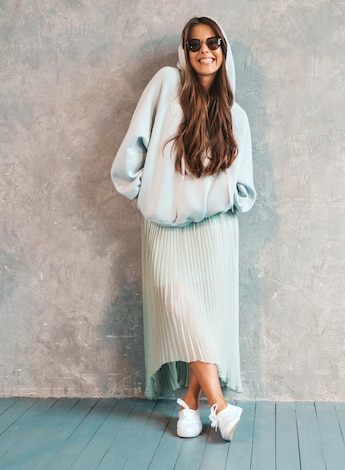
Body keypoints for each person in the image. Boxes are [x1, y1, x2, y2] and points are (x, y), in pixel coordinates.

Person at [111, 16, 256, 442]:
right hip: (164, 229)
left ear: (224, 50)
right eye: (195, 45)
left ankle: (190, 405)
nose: (204, 51)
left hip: (214, 233)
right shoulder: (165, 85)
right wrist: (148, 196)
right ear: (185, 52)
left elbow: (244, 191)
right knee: (181, 305)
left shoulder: (237, 117)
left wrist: (218, 194)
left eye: (213, 43)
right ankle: (223, 408)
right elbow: (129, 156)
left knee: (203, 320)